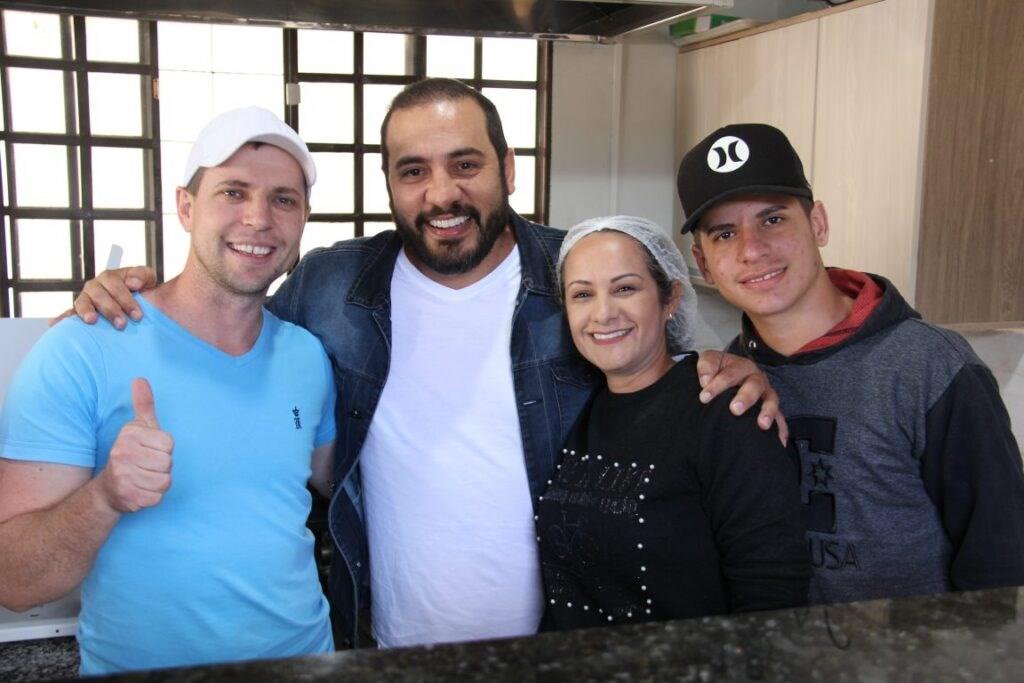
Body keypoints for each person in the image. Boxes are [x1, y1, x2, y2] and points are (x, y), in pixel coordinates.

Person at [70, 79, 786, 648]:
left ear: (507, 168)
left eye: (465, 165)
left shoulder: (573, 269)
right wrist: (136, 295)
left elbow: (649, 351)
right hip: (380, 639)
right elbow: (228, 327)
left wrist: (735, 364)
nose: (441, 194)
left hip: (556, 646)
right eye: (413, 171)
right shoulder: (331, 286)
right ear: (388, 183)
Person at [0, 107, 337, 674]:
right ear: (185, 207)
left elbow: (339, 483)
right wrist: (105, 495)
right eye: (233, 191)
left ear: (303, 218)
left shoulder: (307, 355)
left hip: (306, 663)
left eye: (283, 199)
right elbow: (14, 580)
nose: (258, 219)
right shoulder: (81, 349)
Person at [677, 122, 1024, 605]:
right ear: (702, 261)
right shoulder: (726, 383)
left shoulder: (930, 368)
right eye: (724, 233)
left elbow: (1002, 562)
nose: (752, 249)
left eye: (773, 219)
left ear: (818, 223)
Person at [538, 216, 809, 629]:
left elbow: (772, 590)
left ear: (670, 299)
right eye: (582, 295)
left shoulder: (725, 411)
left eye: (625, 288)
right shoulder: (573, 407)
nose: (603, 313)